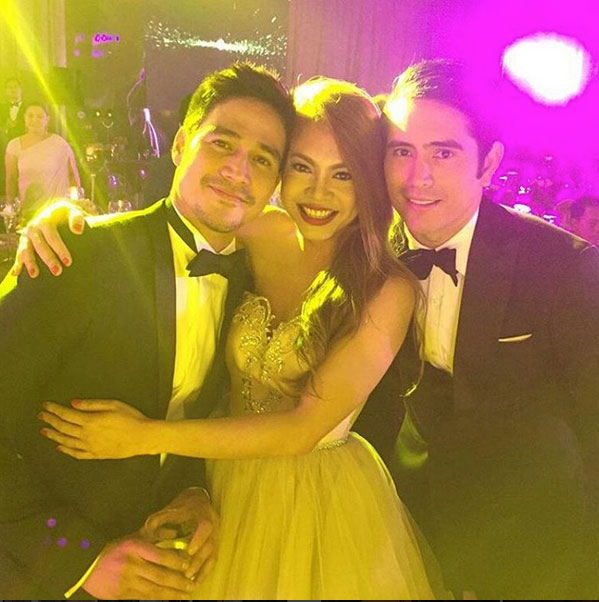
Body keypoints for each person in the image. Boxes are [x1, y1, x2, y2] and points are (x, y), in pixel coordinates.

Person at [14, 78, 447, 600]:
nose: (319, 192)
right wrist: (62, 219)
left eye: (344, 174)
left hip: (316, 501)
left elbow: (302, 428)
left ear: (370, 183)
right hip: (217, 485)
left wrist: (144, 436)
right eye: (301, 167)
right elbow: (179, 220)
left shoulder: (387, 287)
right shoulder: (259, 233)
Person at [0, 62, 293, 599]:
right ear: (180, 144)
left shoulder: (254, 284)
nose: (238, 171)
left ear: (274, 183)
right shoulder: (80, 254)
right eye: (222, 144)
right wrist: (79, 560)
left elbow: (194, 416)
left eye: (262, 159)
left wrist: (194, 492)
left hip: (169, 568)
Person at [357, 58, 599, 599]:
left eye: (443, 153)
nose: (417, 178)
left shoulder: (562, 267)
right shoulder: (369, 255)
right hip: (407, 525)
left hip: (533, 544)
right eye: (401, 152)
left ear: (488, 163)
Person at [4, 101, 81, 222]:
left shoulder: (59, 143)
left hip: (57, 211)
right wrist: (9, 207)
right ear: (24, 117)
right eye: (30, 116)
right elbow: (11, 179)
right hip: (28, 211)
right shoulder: (14, 145)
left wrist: (76, 205)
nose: (34, 120)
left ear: (47, 119)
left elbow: (73, 176)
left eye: (39, 116)